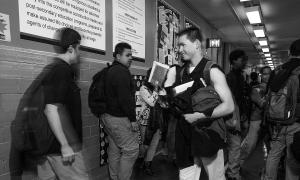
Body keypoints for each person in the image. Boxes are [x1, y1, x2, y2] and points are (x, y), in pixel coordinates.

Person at [165, 27, 234, 180]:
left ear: (196, 44)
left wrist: (200, 116)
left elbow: (229, 106)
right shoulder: (181, 72)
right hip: (185, 138)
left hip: (207, 136)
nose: (179, 49)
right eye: (178, 46)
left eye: (182, 45)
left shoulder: (212, 71)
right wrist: (167, 89)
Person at [37, 28, 89, 180]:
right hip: (62, 148)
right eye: (79, 48)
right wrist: (65, 145)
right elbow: (51, 109)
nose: (80, 53)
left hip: (50, 147)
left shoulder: (54, 69)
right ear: (71, 48)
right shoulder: (61, 70)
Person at [100, 42, 139, 180]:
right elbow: (125, 100)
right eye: (127, 55)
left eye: (131, 55)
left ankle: (114, 177)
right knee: (131, 150)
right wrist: (133, 120)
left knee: (115, 148)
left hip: (107, 117)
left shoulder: (111, 70)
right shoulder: (122, 72)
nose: (131, 58)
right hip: (118, 118)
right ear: (118, 56)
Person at [264, 39, 300, 180]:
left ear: (289, 52)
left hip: (276, 121)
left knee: (274, 154)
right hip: (296, 122)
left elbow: (268, 93)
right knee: (292, 158)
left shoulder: (278, 70)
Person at [240, 66, 271, 175]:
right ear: (261, 76)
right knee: (250, 144)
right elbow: (261, 103)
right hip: (256, 119)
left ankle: (265, 171)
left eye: (269, 74)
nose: (267, 76)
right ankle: (238, 164)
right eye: (265, 74)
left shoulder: (273, 88)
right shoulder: (257, 89)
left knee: (268, 147)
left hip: (268, 121)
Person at [138, 70, 168, 175]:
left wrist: (163, 94)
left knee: (154, 144)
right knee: (145, 145)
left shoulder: (160, 90)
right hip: (146, 121)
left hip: (158, 121)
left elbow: (165, 105)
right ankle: (140, 161)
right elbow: (151, 102)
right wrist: (156, 89)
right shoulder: (143, 88)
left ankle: (148, 165)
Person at [226, 49, 249, 180]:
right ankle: (233, 174)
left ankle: (233, 169)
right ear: (234, 60)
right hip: (234, 115)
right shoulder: (231, 77)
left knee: (235, 144)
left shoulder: (239, 76)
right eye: (242, 59)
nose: (244, 62)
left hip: (239, 115)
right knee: (234, 145)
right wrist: (237, 117)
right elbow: (233, 100)